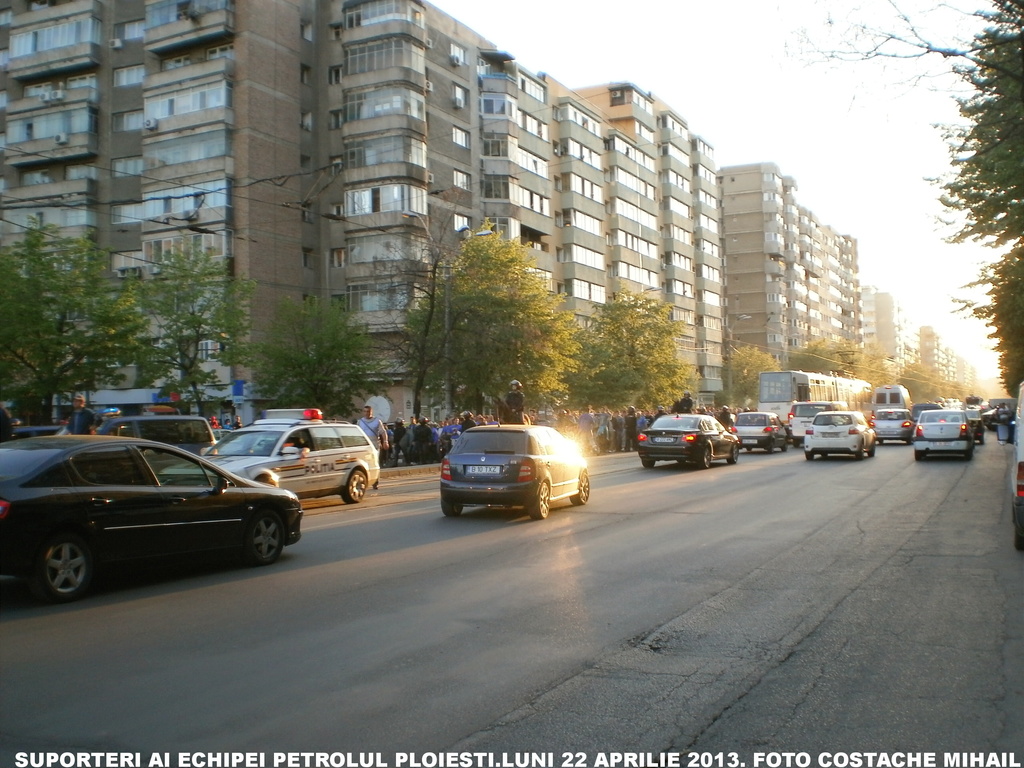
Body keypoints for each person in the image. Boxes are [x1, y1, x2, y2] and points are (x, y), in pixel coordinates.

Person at [357, 405, 389, 489]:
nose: (366, 413)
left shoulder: (377, 421)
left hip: (374, 445)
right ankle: (365, 481)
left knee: (374, 463)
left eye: (368, 411)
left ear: (371, 412)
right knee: (364, 464)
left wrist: (385, 441)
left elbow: (383, 432)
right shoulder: (360, 422)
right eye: (365, 411)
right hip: (364, 446)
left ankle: (375, 481)